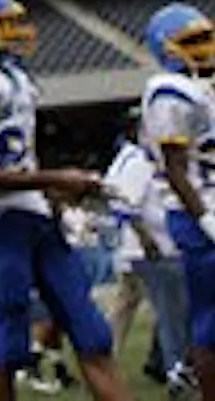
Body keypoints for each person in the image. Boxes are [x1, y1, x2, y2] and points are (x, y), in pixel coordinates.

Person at [0, 0, 131, 401]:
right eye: (5, 23)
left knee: (92, 333)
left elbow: (20, 160)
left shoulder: (16, 80)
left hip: (35, 214)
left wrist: (60, 193)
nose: (17, 30)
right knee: (10, 344)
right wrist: (56, 179)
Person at [141, 2, 215, 401]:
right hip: (197, 211)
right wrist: (206, 218)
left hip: (205, 203)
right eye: (193, 40)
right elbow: (175, 168)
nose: (205, 46)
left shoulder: (202, 87)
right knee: (211, 318)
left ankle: (187, 370)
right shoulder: (168, 92)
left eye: (206, 37)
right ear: (166, 48)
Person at [103, 104, 195, 397]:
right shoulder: (136, 159)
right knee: (172, 314)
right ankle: (174, 370)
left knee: (138, 309)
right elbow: (123, 204)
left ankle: (156, 364)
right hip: (151, 249)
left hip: (144, 249)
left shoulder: (132, 157)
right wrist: (146, 239)